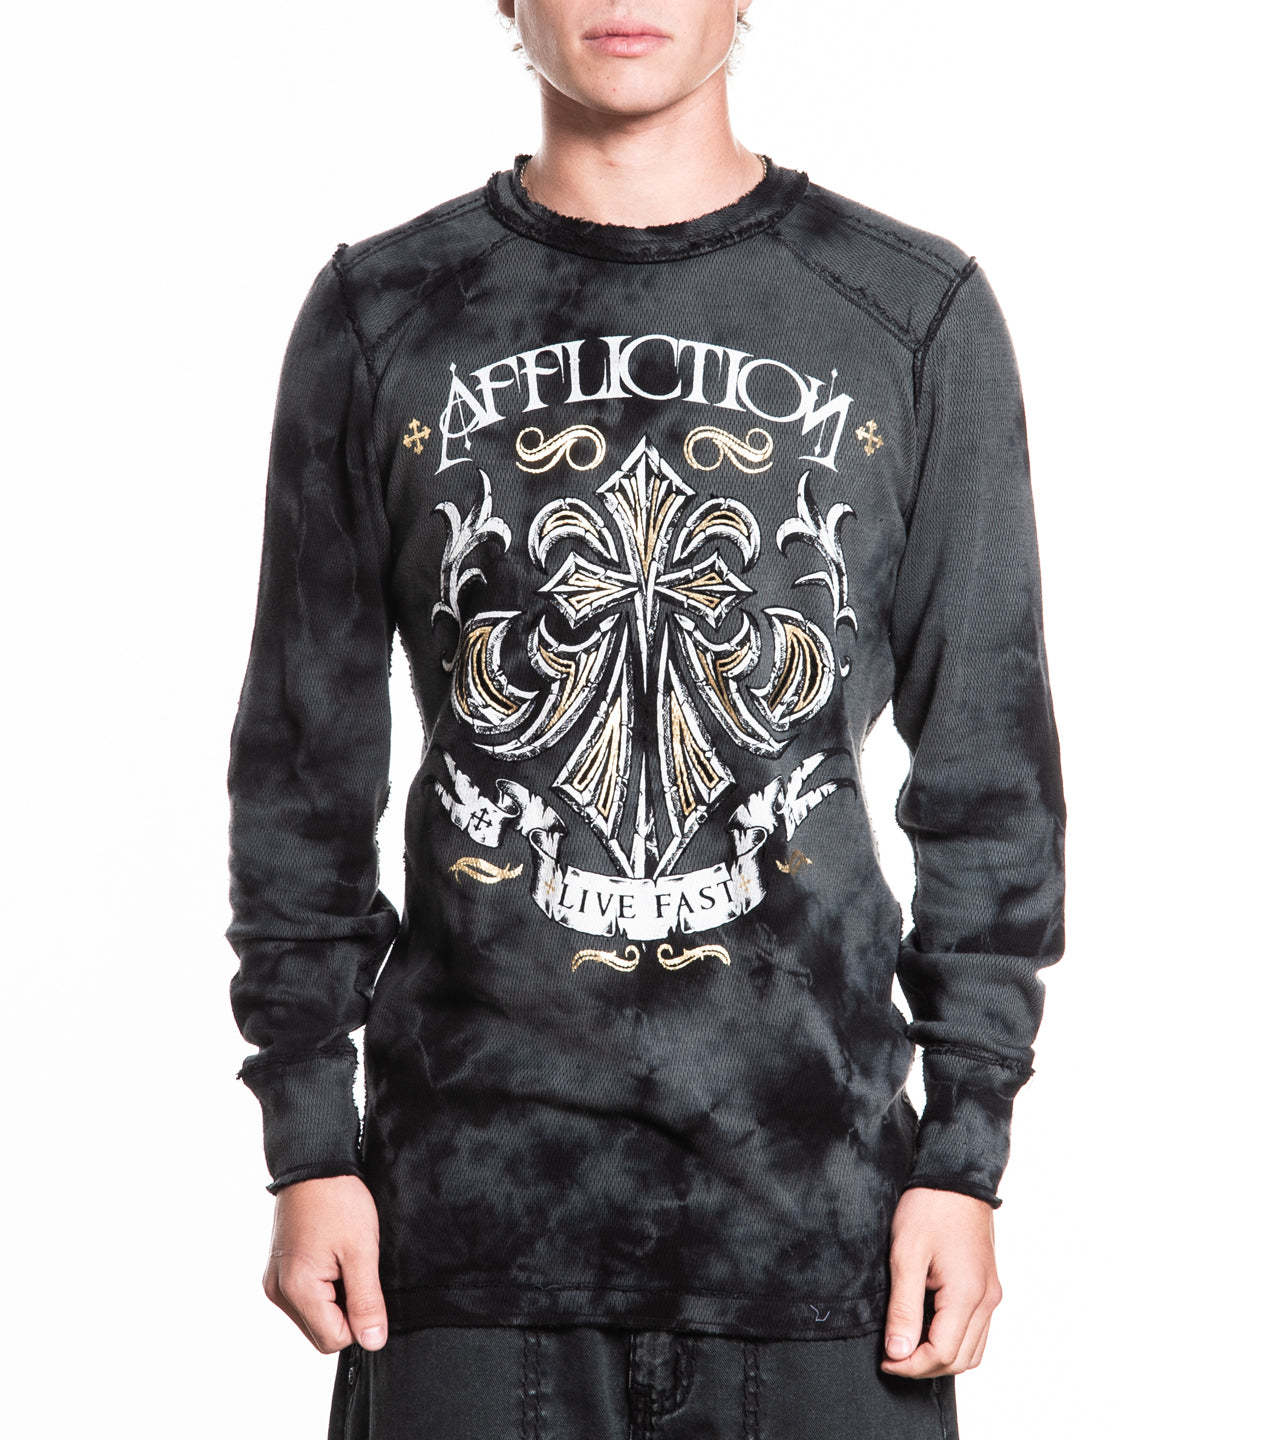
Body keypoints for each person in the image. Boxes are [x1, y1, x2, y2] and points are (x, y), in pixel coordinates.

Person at [223, 3, 1067, 1435]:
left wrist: (964, 1156)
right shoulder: (385, 311)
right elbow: (301, 770)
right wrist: (309, 1145)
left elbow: (992, 771)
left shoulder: (910, 312)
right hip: (464, 1246)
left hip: (827, 1236)